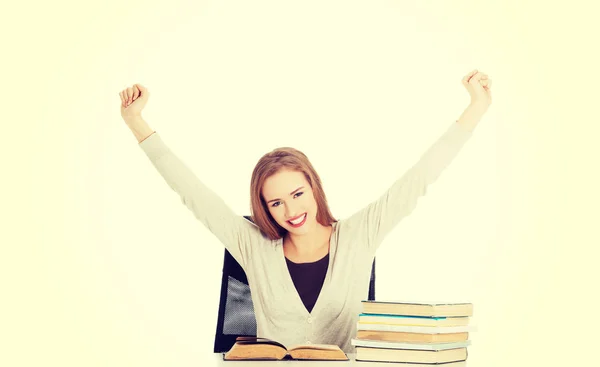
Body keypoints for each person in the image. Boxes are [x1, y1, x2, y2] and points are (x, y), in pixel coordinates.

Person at [117, 70, 492, 353]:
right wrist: (136, 123)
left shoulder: (359, 235)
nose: (290, 210)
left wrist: (476, 108)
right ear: (263, 207)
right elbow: (192, 192)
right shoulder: (253, 246)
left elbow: (419, 178)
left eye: (297, 194)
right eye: (275, 202)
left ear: (314, 187)